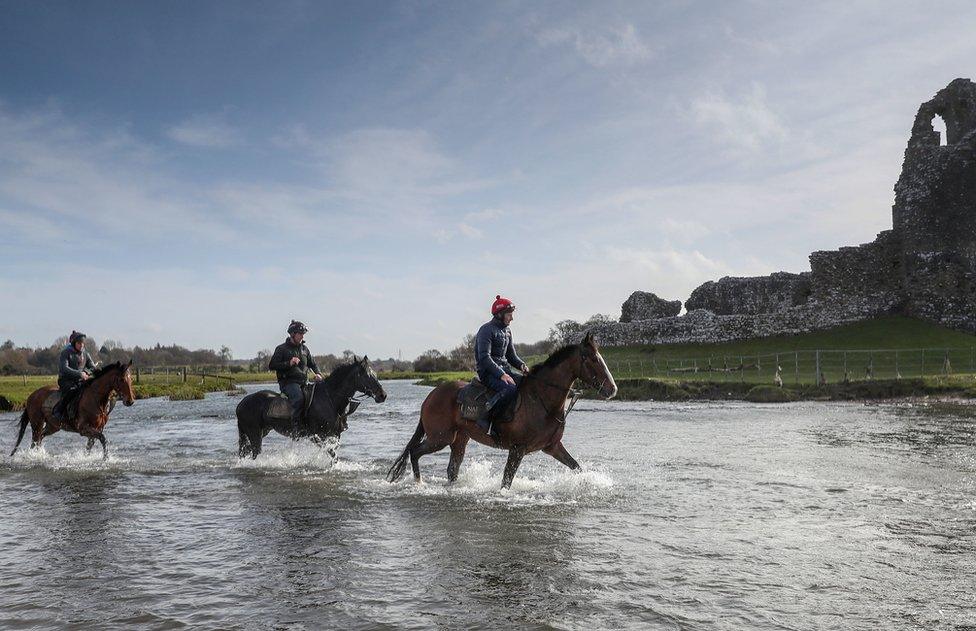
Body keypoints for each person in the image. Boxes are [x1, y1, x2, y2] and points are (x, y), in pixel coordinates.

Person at [474, 295, 529, 433]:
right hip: (488, 373)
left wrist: (522, 365)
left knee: (527, 383)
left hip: (505, 371)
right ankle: (487, 418)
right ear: (500, 314)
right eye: (509, 314)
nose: (512, 318)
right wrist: (501, 374)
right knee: (509, 389)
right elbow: (484, 358)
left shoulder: (507, 331)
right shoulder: (486, 330)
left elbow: (511, 356)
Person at [268, 320, 324, 436]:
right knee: (298, 398)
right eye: (300, 333)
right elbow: (272, 365)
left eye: (303, 334)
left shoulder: (305, 349)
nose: (302, 336)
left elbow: (313, 364)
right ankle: (296, 427)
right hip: (288, 383)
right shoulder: (281, 349)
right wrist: (289, 363)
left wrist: (318, 373)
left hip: (304, 382)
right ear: (293, 334)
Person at [52, 330, 96, 423]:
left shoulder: (86, 354)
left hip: (80, 380)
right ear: (74, 343)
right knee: (72, 391)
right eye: (79, 343)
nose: (81, 345)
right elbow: (64, 368)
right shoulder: (66, 353)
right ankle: (58, 411)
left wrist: (86, 372)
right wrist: (79, 374)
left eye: (83, 343)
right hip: (65, 380)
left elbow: (92, 367)